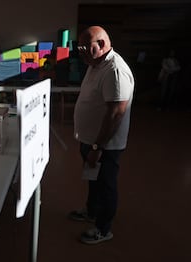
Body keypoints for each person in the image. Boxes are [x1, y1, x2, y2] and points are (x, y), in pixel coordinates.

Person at [69, 26, 135, 245]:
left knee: (106, 184)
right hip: (90, 140)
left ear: (102, 45)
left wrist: (97, 148)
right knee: (93, 180)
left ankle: (104, 228)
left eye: (84, 47)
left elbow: (116, 113)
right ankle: (91, 211)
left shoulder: (115, 70)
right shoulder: (95, 63)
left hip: (105, 145)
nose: (81, 52)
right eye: (79, 47)